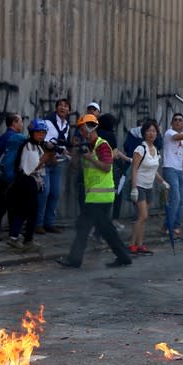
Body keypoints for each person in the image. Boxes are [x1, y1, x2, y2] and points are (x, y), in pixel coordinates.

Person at [56, 115, 134, 268]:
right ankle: (124, 256)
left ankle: (74, 259)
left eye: (82, 128)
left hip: (100, 195)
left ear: (89, 127)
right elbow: (73, 168)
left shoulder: (102, 145)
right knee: (106, 229)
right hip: (96, 195)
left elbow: (106, 167)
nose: (81, 132)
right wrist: (77, 154)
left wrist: (90, 158)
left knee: (83, 226)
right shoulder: (88, 147)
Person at [6, 119, 55, 251]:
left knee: (27, 211)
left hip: (29, 181)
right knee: (27, 211)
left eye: (43, 132)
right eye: (38, 132)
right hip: (26, 181)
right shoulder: (28, 146)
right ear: (32, 132)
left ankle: (21, 238)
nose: (41, 135)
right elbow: (32, 168)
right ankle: (21, 239)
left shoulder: (37, 145)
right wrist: (46, 157)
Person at [128, 119, 170, 255]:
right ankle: (133, 245)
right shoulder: (141, 149)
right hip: (139, 185)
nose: (151, 134)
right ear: (144, 133)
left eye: (154, 131)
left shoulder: (156, 150)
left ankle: (138, 245)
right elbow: (134, 169)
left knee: (143, 217)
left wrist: (162, 181)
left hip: (148, 186)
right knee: (143, 215)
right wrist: (134, 188)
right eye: (149, 131)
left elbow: (154, 170)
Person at [36, 98, 71, 234]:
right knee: (44, 193)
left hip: (58, 163)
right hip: (45, 161)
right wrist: (49, 156)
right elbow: (42, 142)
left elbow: (62, 144)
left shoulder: (66, 125)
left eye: (66, 106)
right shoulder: (47, 122)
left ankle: (49, 223)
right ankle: (37, 224)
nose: (63, 108)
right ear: (56, 108)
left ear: (69, 110)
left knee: (55, 193)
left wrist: (67, 154)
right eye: (60, 105)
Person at [0, 113, 23, 240]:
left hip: (1, 174)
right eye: (20, 121)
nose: (22, 124)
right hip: (8, 176)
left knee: (10, 204)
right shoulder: (16, 138)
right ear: (14, 122)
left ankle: (13, 232)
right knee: (4, 205)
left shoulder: (3, 137)